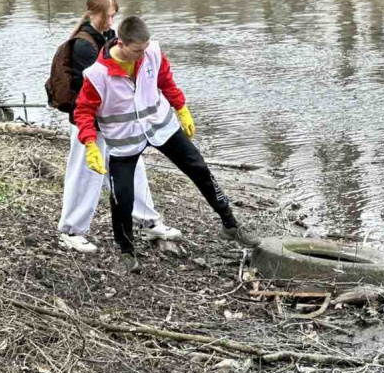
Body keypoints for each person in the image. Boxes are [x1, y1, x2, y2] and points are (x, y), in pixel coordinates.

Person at [74, 14, 260, 273]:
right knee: (122, 196)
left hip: (161, 127)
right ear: (121, 43)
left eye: (145, 48)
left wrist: (181, 108)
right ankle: (126, 252)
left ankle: (230, 225)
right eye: (137, 51)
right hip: (124, 140)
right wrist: (90, 144)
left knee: (199, 168)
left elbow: (166, 82)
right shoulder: (97, 74)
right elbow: (83, 111)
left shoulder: (152, 53)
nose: (142, 55)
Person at [57, 0, 181, 253]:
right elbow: (96, 91)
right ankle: (71, 231)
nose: (112, 21)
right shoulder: (83, 46)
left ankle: (148, 221)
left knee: (134, 169)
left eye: (114, 15)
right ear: (93, 13)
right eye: (108, 15)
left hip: (115, 124)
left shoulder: (111, 37)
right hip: (89, 124)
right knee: (85, 175)